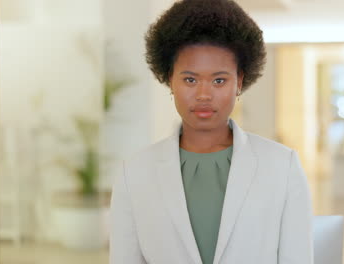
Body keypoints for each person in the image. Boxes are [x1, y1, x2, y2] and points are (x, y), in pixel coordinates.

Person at [109, 0, 313, 263]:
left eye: (219, 80)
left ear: (239, 82)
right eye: (190, 79)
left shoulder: (282, 167)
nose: (204, 95)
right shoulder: (134, 173)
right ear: (169, 79)